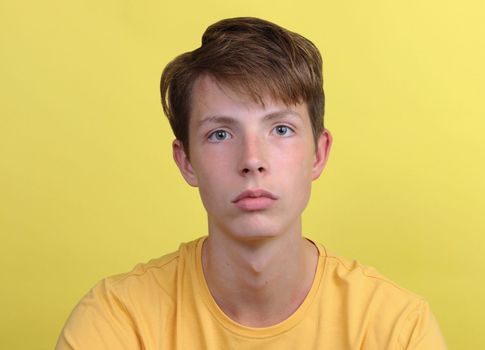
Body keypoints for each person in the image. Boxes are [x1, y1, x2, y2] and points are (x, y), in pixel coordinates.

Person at [56, 17, 447, 349]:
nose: (252, 161)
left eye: (280, 129)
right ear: (186, 161)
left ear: (318, 153)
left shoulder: (395, 328)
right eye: (220, 134)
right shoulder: (118, 323)